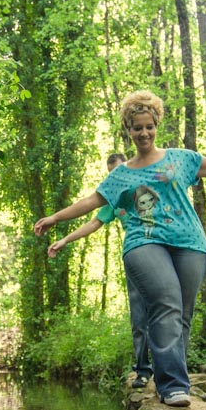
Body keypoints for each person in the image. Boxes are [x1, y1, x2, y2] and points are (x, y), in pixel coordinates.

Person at [34, 89, 206, 408]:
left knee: (181, 314)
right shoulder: (122, 174)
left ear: (156, 126)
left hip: (190, 243)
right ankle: (172, 385)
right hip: (145, 242)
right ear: (127, 130)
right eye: (136, 127)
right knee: (166, 301)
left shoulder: (180, 159)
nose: (143, 133)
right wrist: (54, 219)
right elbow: (91, 202)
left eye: (148, 126)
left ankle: (167, 378)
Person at [48, 152, 153, 387]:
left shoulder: (147, 182)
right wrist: (65, 240)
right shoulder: (114, 199)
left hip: (161, 248)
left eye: (118, 172)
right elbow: (93, 223)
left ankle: (171, 367)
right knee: (139, 315)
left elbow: (173, 168)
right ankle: (143, 370)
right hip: (136, 254)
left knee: (165, 311)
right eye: (111, 176)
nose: (115, 179)